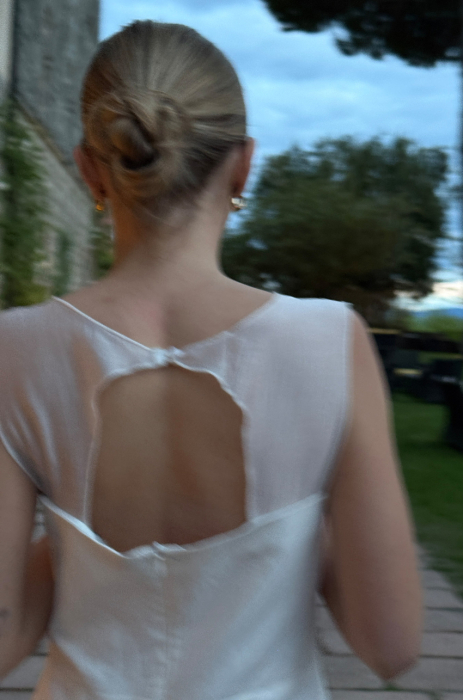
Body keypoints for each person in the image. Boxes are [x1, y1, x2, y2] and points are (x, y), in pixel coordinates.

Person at [0, 19, 422, 699]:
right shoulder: (330, 341)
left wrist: (75, 548)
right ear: (243, 164)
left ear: (89, 169)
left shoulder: (14, 348)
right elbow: (392, 645)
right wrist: (294, 536)